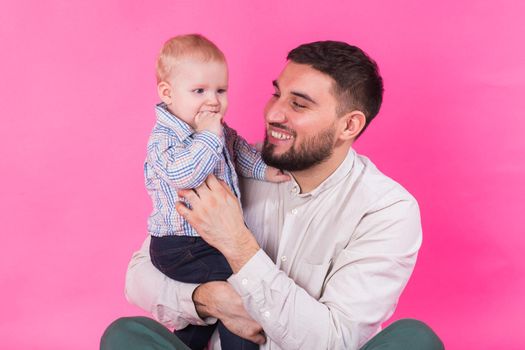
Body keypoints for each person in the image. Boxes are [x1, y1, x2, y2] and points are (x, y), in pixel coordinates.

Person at [101, 40, 444, 350]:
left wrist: (237, 244)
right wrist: (210, 299)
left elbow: (335, 340)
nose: (273, 113)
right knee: (127, 335)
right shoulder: (230, 166)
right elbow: (140, 276)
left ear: (348, 125)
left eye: (298, 104)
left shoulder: (386, 210)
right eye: (276, 94)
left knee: (415, 341)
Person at [143, 34, 289, 350]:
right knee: (242, 283)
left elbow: (239, 151)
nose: (213, 100)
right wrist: (209, 136)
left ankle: (184, 344)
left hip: (207, 240)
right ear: (168, 93)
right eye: (199, 91)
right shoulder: (164, 139)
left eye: (220, 90)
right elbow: (184, 175)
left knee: (217, 295)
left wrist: (264, 170)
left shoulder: (218, 129)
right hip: (179, 245)